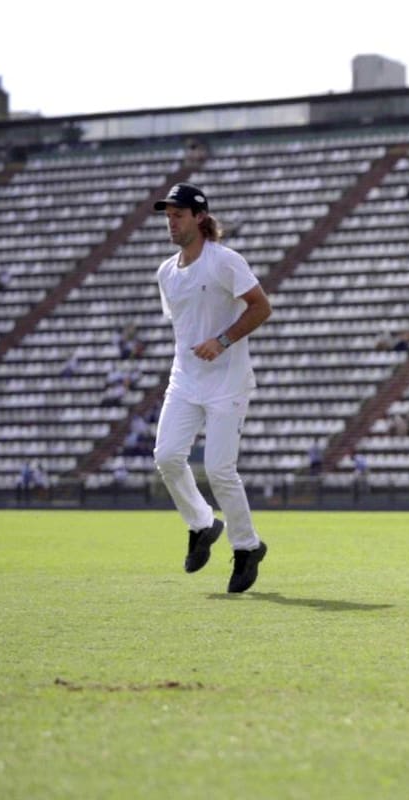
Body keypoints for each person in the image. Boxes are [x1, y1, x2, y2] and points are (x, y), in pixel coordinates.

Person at [152, 183, 272, 594]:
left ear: (200, 218)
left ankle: (246, 547)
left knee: (221, 470)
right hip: (184, 379)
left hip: (227, 381)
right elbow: (183, 324)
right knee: (167, 456)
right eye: (168, 215)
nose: (171, 222)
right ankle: (202, 524)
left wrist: (220, 341)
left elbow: (261, 306)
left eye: (178, 215)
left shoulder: (225, 261)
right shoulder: (166, 272)